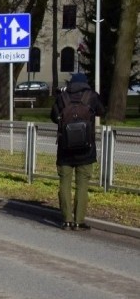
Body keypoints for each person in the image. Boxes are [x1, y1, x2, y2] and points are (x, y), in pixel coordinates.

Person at [50, 72, 105, 230]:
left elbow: (53, 117)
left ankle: (66, 219)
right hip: (86, 149)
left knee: (64, 183)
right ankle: (79, 221)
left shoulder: (62, 97)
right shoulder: (91, 96)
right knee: (82, 185)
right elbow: (102, 111)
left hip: (65, 149)